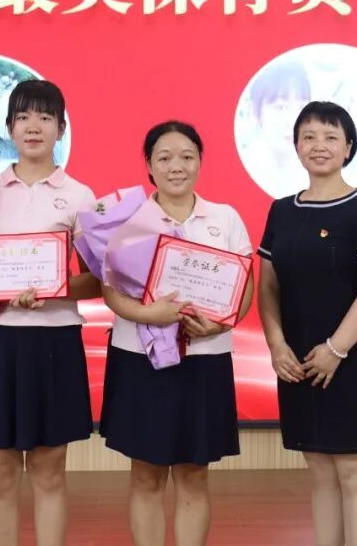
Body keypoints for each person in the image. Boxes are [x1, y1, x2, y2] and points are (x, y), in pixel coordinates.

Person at [0, 80, 99, 546]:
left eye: (45, 117)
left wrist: (53, 289)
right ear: (9, 127)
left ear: (61, 129)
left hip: (53, 342)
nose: (34, 126)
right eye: (24, 117)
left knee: (49, 471)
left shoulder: (80, 196)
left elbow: (97, 281)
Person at [98, 121, 255, 546]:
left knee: (193, 474)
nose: (176, 166)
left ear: (200, 162)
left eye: (187, 156)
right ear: (149, 165)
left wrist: (220, 323)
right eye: (164, 158)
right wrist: (148, 313)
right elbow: (109, 288)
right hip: (140, 358)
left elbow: (244, 284)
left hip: (204, 358)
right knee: (145, 475)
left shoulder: (225, 217)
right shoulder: (126, 219)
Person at [257, 101, 357, 546]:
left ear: (349, 147)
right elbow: (268, 288)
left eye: (331, 137)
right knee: (319, 469)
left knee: (354, 470)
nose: (319, 145)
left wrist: (336, 349)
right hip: (299, 360)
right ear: (296, 146)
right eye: (309, 137)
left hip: (353, 357)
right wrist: (276, 345)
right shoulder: (281, 211)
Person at [240, 61, 312, 197]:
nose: (293, 121)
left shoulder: (314, 174)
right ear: (254, 111)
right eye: (281, 107)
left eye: (302, 107)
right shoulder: (246, 167)